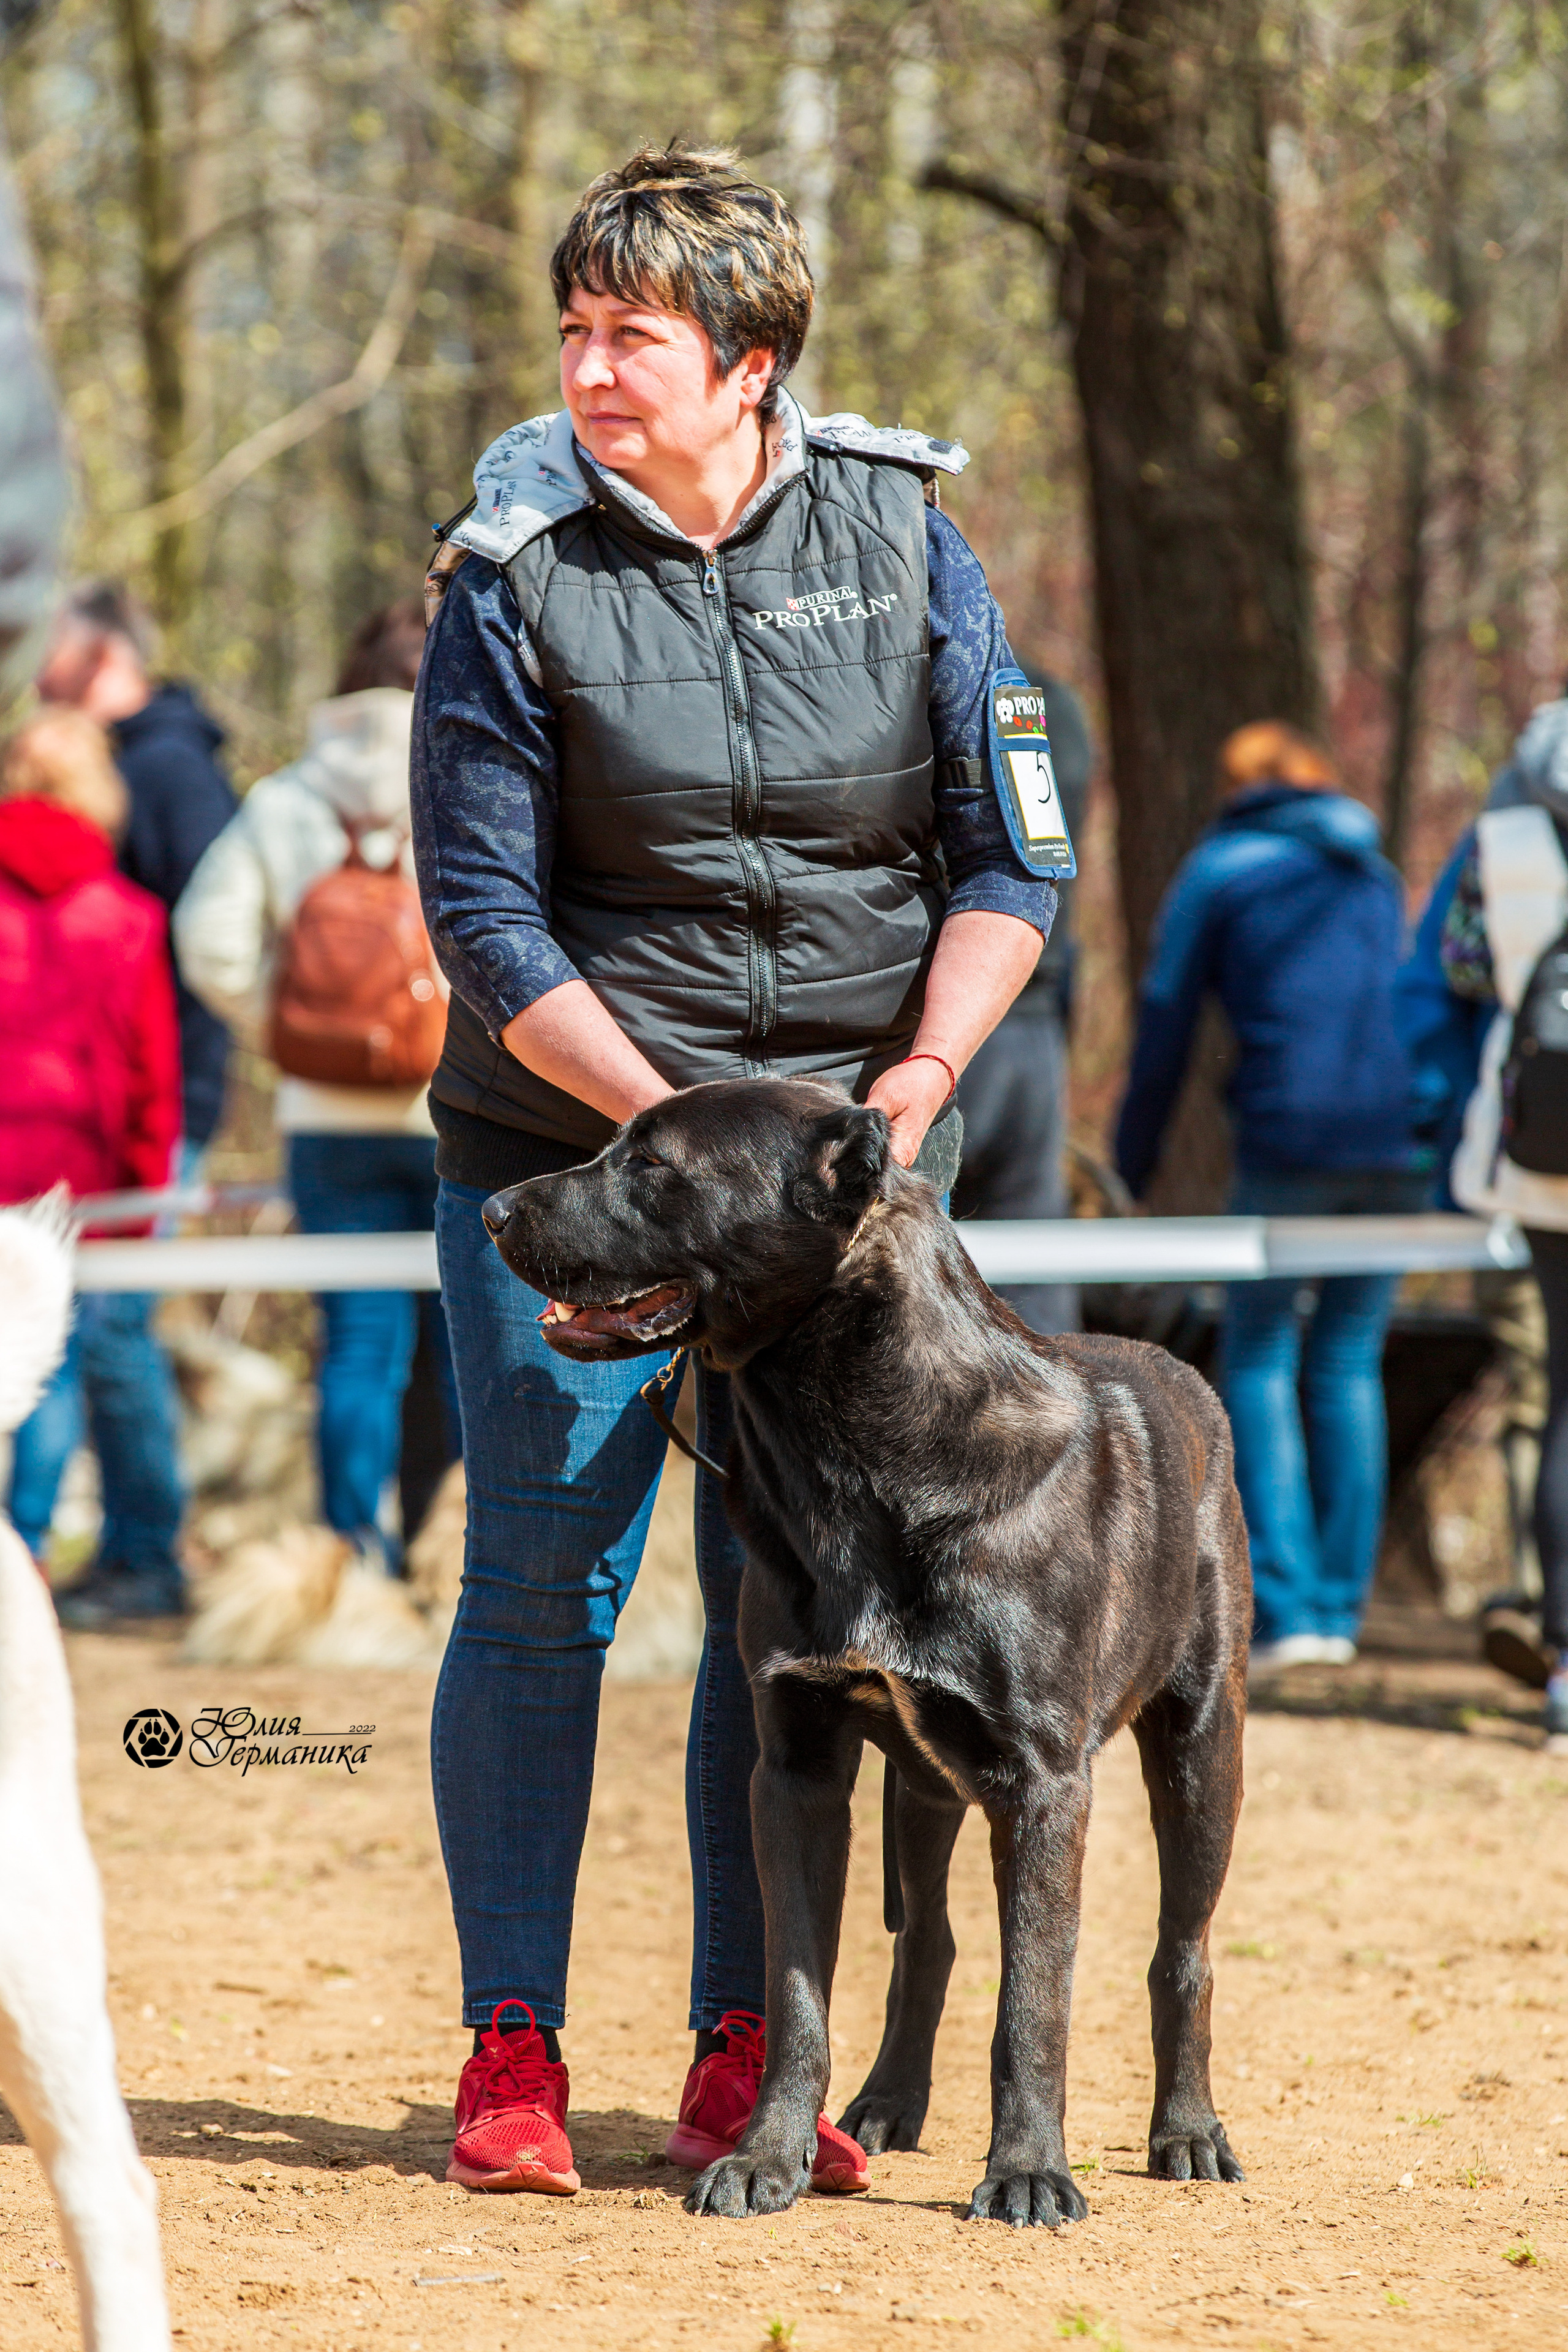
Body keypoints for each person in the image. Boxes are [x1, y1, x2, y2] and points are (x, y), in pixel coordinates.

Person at [412, 143, 1056, 2199]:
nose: (595, 372)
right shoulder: (510, 574)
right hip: (576, 1146)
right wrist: (677, 1146)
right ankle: (509, 2050)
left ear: (754, 366)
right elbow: (484, 920)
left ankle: (744, 2054)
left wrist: (917, 1082)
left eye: (639, 338)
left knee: (774, 1614)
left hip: (849, 1190)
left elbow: (1012, 846)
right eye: (577, 333)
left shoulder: (907, 534)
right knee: (542, 1584)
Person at [1115, 721, 1422, 1673]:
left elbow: (1167, 1021)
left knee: (1257, 1348)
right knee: (1347, 1358)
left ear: (1237, 785)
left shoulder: (1221, 869)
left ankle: (1288, 1609)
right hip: (1398, 1140)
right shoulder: (1372, 870)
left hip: (1291, 1139)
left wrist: (1131, 1160)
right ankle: (1340, 1603)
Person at [174, 600, 459, 1561]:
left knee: (358, 1349)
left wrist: (287, 1033)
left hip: (323, 1124)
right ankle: (452, 1551)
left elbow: (206, 939)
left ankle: (352, 1553)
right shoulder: (467, 776)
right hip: (453, 1112)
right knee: (463, 1350)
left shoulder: (285, 798)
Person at [32, 582, 236, 1626]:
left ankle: (148, 1555)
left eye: (46, 644)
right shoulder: (119, 760)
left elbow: (207, 955)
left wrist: (178, 1119)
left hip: (153, 1118)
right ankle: (119, 1551)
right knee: (84, 1336)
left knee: (111, 1334)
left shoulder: (170, 773)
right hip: (103, 1118)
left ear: (102, 650)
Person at [0, 709, 183, 1597]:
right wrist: (146, 1191)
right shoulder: (128, 916)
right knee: (55, 1357)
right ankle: (32, 1549)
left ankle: (27, 1541)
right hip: (83, 1174)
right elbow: (154, 1070)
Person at [1439, 690, 1568, 1749]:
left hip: (1541, 1151)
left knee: (1565, 1392)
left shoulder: (1508, 821)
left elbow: (1465, 967)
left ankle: (1566, 1662)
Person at [951, 663, 1091, 1333]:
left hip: (950, 1018)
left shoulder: (942, 693)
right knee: (1036, 1273)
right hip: (1036, 1017)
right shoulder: (1049, 706)